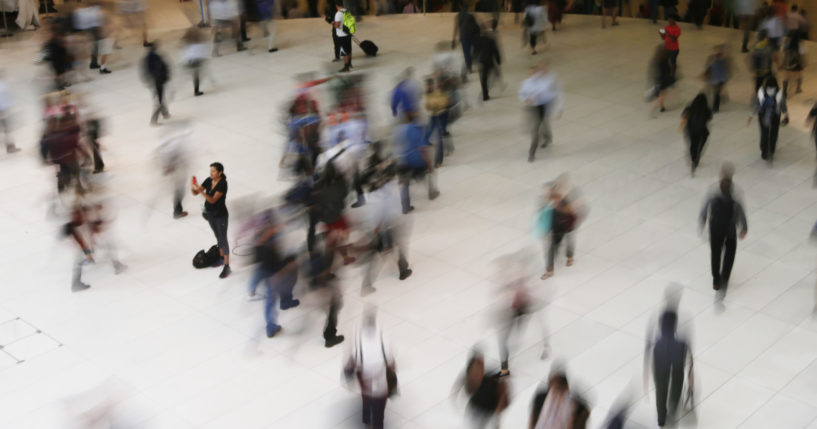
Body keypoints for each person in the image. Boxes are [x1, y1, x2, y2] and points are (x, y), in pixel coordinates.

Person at [358, 142, 413, 295]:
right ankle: (401, 267)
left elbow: (363, 182)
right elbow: (397, 172)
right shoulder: (387, 163)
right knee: (393, 241)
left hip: (378, 205)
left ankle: (401, 266)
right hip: (386, 206)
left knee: (387, 244)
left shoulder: (369, 168)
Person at [699, 163, 747, 299]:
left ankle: (716, 280)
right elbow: (740, 210)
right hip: (730, 228)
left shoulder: (713, 190)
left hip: (715, 228)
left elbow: (705, 209)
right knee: (730, 253)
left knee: (716, 253)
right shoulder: (737, 191)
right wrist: (743, 227)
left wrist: (702, 223)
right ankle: (725, 277)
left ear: (722, 173)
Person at [343, 307, 396, 429]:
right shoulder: (382, 336)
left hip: (364, 377)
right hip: (380, 380)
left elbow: (353, 357)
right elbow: (390, 360)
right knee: (379, 412)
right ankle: (375, 424)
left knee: (366, 397)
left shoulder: (358, 335)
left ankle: (366, 419)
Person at [644, 310, 693, 428]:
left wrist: (645, 380)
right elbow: (691, 364)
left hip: (660, 368)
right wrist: (691, 384)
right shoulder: (682, 343)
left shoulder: (656, 343)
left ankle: (661, 418)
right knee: (676, 387)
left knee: (660, 390)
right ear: (675, 325)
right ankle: (673, 409)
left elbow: (647, 359)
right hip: (677, 365)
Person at [393, 113, 440, 214]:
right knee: (427, 173)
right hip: (415, 161)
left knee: (404, 182)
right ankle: (432, 192)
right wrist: (429, 164)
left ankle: (405, 206)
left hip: (401, 161)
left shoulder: (397, 129)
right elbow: (422, 149)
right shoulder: (415, 129)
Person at [191, 162, 232, 278]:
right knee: (218, 236)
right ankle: (221, 257)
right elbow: (195, 192)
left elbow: (213, 200)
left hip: (220, 215)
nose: (211, 173)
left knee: (223, 239)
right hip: (210, 214)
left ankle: (227, 266)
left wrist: (201, 192)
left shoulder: (222, 184)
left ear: (220, 172)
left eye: (213, 171)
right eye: (211, 171)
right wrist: (193, 187)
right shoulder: (209, 180)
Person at [451, 351, 510, 429]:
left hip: (488, 412)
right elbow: (459, 386)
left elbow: (502, 396)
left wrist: (497, 414)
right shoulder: (470, 379)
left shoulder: (490, 378)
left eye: (481, 364)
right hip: (476, 411)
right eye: (478, 365)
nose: (481, 367)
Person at [519, 61, 563, 162]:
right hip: (532, 107)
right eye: (531, 73)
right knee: (536, 128)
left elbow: (554, 93)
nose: (533, 75)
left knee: (541, 124)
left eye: (535, 72)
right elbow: (521, 94)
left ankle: (545, 140)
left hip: (543, 106)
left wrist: (559, 107)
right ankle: (533, 151)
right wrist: (525, 99)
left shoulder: (545, 81)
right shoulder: (526, 83)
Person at [541, 177, 585, 280]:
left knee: (569, 239)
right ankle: (549, 270)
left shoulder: (566, 200)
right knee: (552, 248)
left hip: (565, 225)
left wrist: (559, 207)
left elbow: (572, 211)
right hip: (555, 225)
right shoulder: (552, 197)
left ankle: (570, 257)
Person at [155, 121, 192, 219]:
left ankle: (177, 210)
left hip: (176, 172)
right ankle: (177, 211)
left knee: (178, 190)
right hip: (177, 172)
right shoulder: (174, 145)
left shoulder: (167, 145)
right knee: (179, 191)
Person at [749, 76, 787, 162]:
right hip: (775, 116)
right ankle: (771, 150)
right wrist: (786, 115)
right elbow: (783, 106)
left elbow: (756, 105)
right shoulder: (780, 92)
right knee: (774, 133)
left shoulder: (761, 91)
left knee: (764, 133)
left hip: (763, 115)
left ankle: (764, 151)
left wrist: (751, 115)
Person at [681, 93, 712, 175]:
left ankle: (693, 159)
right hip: (702, 130)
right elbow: (709, 120)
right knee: (701, 143)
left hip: (690, 129)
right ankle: (698, 155)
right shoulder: (707, 110)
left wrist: (681, 127)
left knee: (693, 145)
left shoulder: (689, 108)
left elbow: (684, 118)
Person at [424, 78, 452, 168]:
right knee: (433, 131)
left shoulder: (439, 92)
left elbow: (446, 102)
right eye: (427, 85)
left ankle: (438, 160)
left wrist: (436, 106)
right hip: (434, 115)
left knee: (440, 136)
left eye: (430, 85)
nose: (428, 87)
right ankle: (439, 155)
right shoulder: (427, 94)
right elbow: (428, 106)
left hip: (441, 115)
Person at [142, 43, 171, 126]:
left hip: (154, 81)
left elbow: (146, 71)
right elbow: (163, 67)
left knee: (160, 98)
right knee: (159, 100)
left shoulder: (147, 58)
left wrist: (147, 81)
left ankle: (165, 113)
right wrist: (166, 77)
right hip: (158, 81)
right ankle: (153, 120)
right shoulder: (157, 57)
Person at [474, 22, 502, 102]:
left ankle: (485, 95)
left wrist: (475, 60)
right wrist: (498, 60)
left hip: (481, 62)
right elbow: (495, 51)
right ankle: (489, 88)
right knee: (491, 75)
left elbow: (474, 52)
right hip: (489, 61)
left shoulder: (476, 40)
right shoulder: (490, 40)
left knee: (483, 79)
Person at [452, 3, 481, 80]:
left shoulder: (457, 16)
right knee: (474, 50)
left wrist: (453, 40)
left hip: (463, 37)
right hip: (472, 36)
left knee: (466, 52)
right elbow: (476, 27)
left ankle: (469, 67)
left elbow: (456, 28)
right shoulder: (471, 16)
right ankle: (473, 62)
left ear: (460, 7)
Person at [748, 30, 777, 96]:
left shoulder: (755, 46)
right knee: (770, 84)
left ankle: (757, 97)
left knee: (758, 84)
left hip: (758, 71)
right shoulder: (768, 46)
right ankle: (768, 97)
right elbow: (774, 57)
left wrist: (751, 66)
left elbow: (749, 57)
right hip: (767, 69)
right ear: (766, 37)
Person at [703, 44, 731, 113]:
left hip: (719, 79)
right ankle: (718, 102)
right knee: (716, 92)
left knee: (716, 93)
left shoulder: (722, 60)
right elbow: (708, 68)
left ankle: (715, 107)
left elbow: (727, 69)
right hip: (716, 79)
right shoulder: (713, 60)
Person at [182, 27, 209, 97]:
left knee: (195, 76)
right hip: (196, 61)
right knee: (196, 76)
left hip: (190, 61)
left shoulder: (188, 42)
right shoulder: (197, 42)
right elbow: (200, 51)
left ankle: (196, 90)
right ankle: (196, 91)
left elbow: (186, 52)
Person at [0, 73, 20, 154]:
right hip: (4, 111)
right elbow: (9, 98)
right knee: (8, 130)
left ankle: (10, 147)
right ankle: (10, 147)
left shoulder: (4, 85)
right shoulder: (4, 85)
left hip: (3, 110)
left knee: (6, 130)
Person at [780, 30, 804, 95]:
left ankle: (784, 91)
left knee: (786, 78)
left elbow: (782, 50)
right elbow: (802, 53)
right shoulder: (799, 43)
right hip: (796, 63)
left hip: (788, 62)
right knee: (799, 76)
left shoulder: (787, 42)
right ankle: (798, 88)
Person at [334, 0, 354, 72]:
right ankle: (350, 63)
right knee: (349, 50)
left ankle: (346, 67)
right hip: (348, 34)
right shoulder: (347, 11)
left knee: (344, 52)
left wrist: (333, 23)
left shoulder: (338, 14)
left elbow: (337, 25)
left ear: (337, 6)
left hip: (341, 35)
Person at [660, 15, 681, 79]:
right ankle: (667, 73)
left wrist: (667, 33)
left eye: (671, 20)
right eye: (669, 20)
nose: (669, 21)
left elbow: (674, 39)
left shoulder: (677, 29)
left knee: (672, 62)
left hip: (674, 49)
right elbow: (664, 38)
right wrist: (662, 34)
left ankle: (673, 74)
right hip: (667, 48)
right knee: (665, 61)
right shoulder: (667, 27)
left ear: (674, 20)